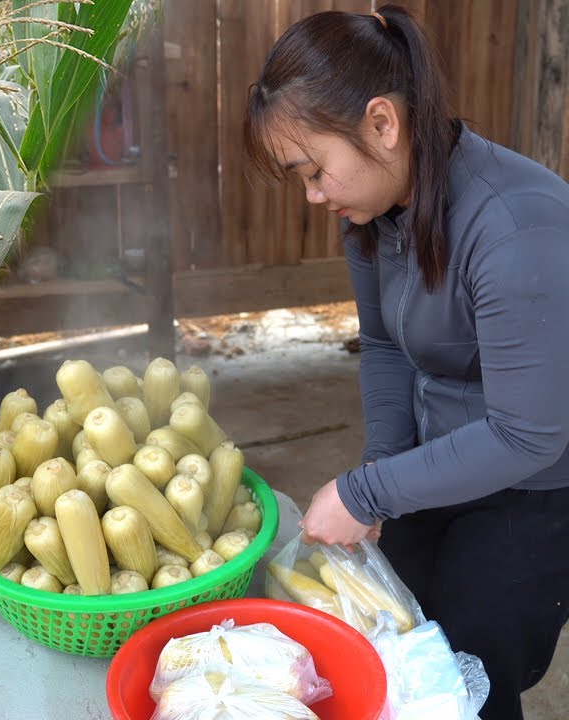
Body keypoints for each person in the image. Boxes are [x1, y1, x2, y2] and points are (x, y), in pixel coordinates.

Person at [243, 5, 569, 718]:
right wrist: (384, 466)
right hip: (443, 463)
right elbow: (385, 345)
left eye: (314, 171)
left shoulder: (515, 228)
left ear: (382, 123)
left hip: (537, 489)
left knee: (472, 677)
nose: (314, 195)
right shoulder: (373, 218)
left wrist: (368, 492)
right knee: (399, 647)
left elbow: (529, 433)